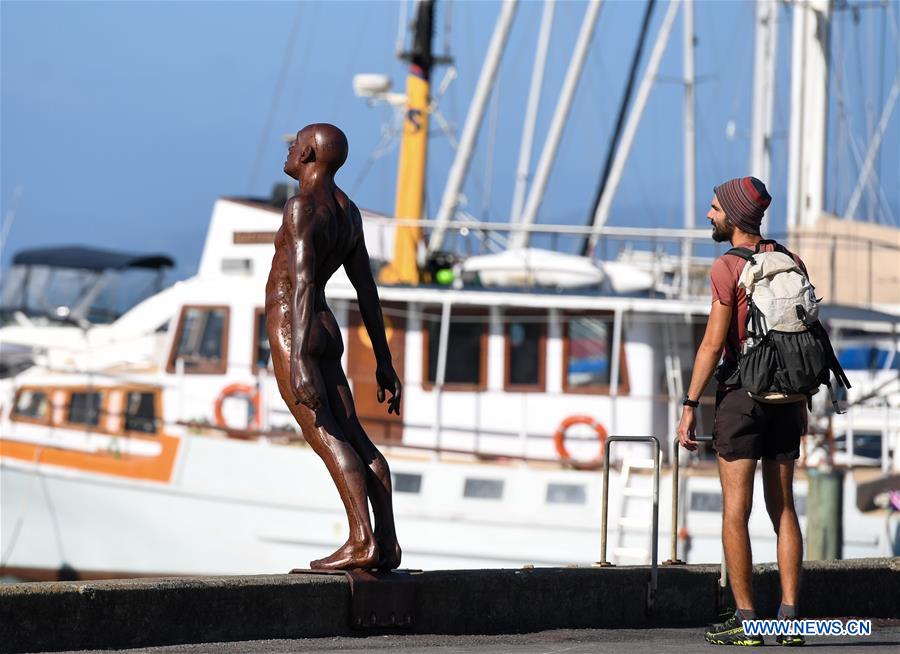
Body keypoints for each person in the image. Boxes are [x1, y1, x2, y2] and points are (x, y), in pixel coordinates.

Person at [266, 123, 403, 571]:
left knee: (325, 433)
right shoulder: (348, 212)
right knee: (356, 435)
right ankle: (387, 542)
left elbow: (303, 282)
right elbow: (367, 291)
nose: (289, 149)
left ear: (308, 153)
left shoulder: (301, 207)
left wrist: (299, 360)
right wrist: (384, 360)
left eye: (295, 143)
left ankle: (361, 540)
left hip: (296, 326)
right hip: (325, 326)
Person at [677, 177, 806, 646]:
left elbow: (713, 345)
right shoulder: (790, 260)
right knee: (784, 507)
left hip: (742, 397)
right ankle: (790, 621)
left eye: (715, 208)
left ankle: (747, 621)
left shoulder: (727, 266)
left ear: (733, 216)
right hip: (788, 398)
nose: (709, 215)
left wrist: (690, 404)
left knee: (736, 510)